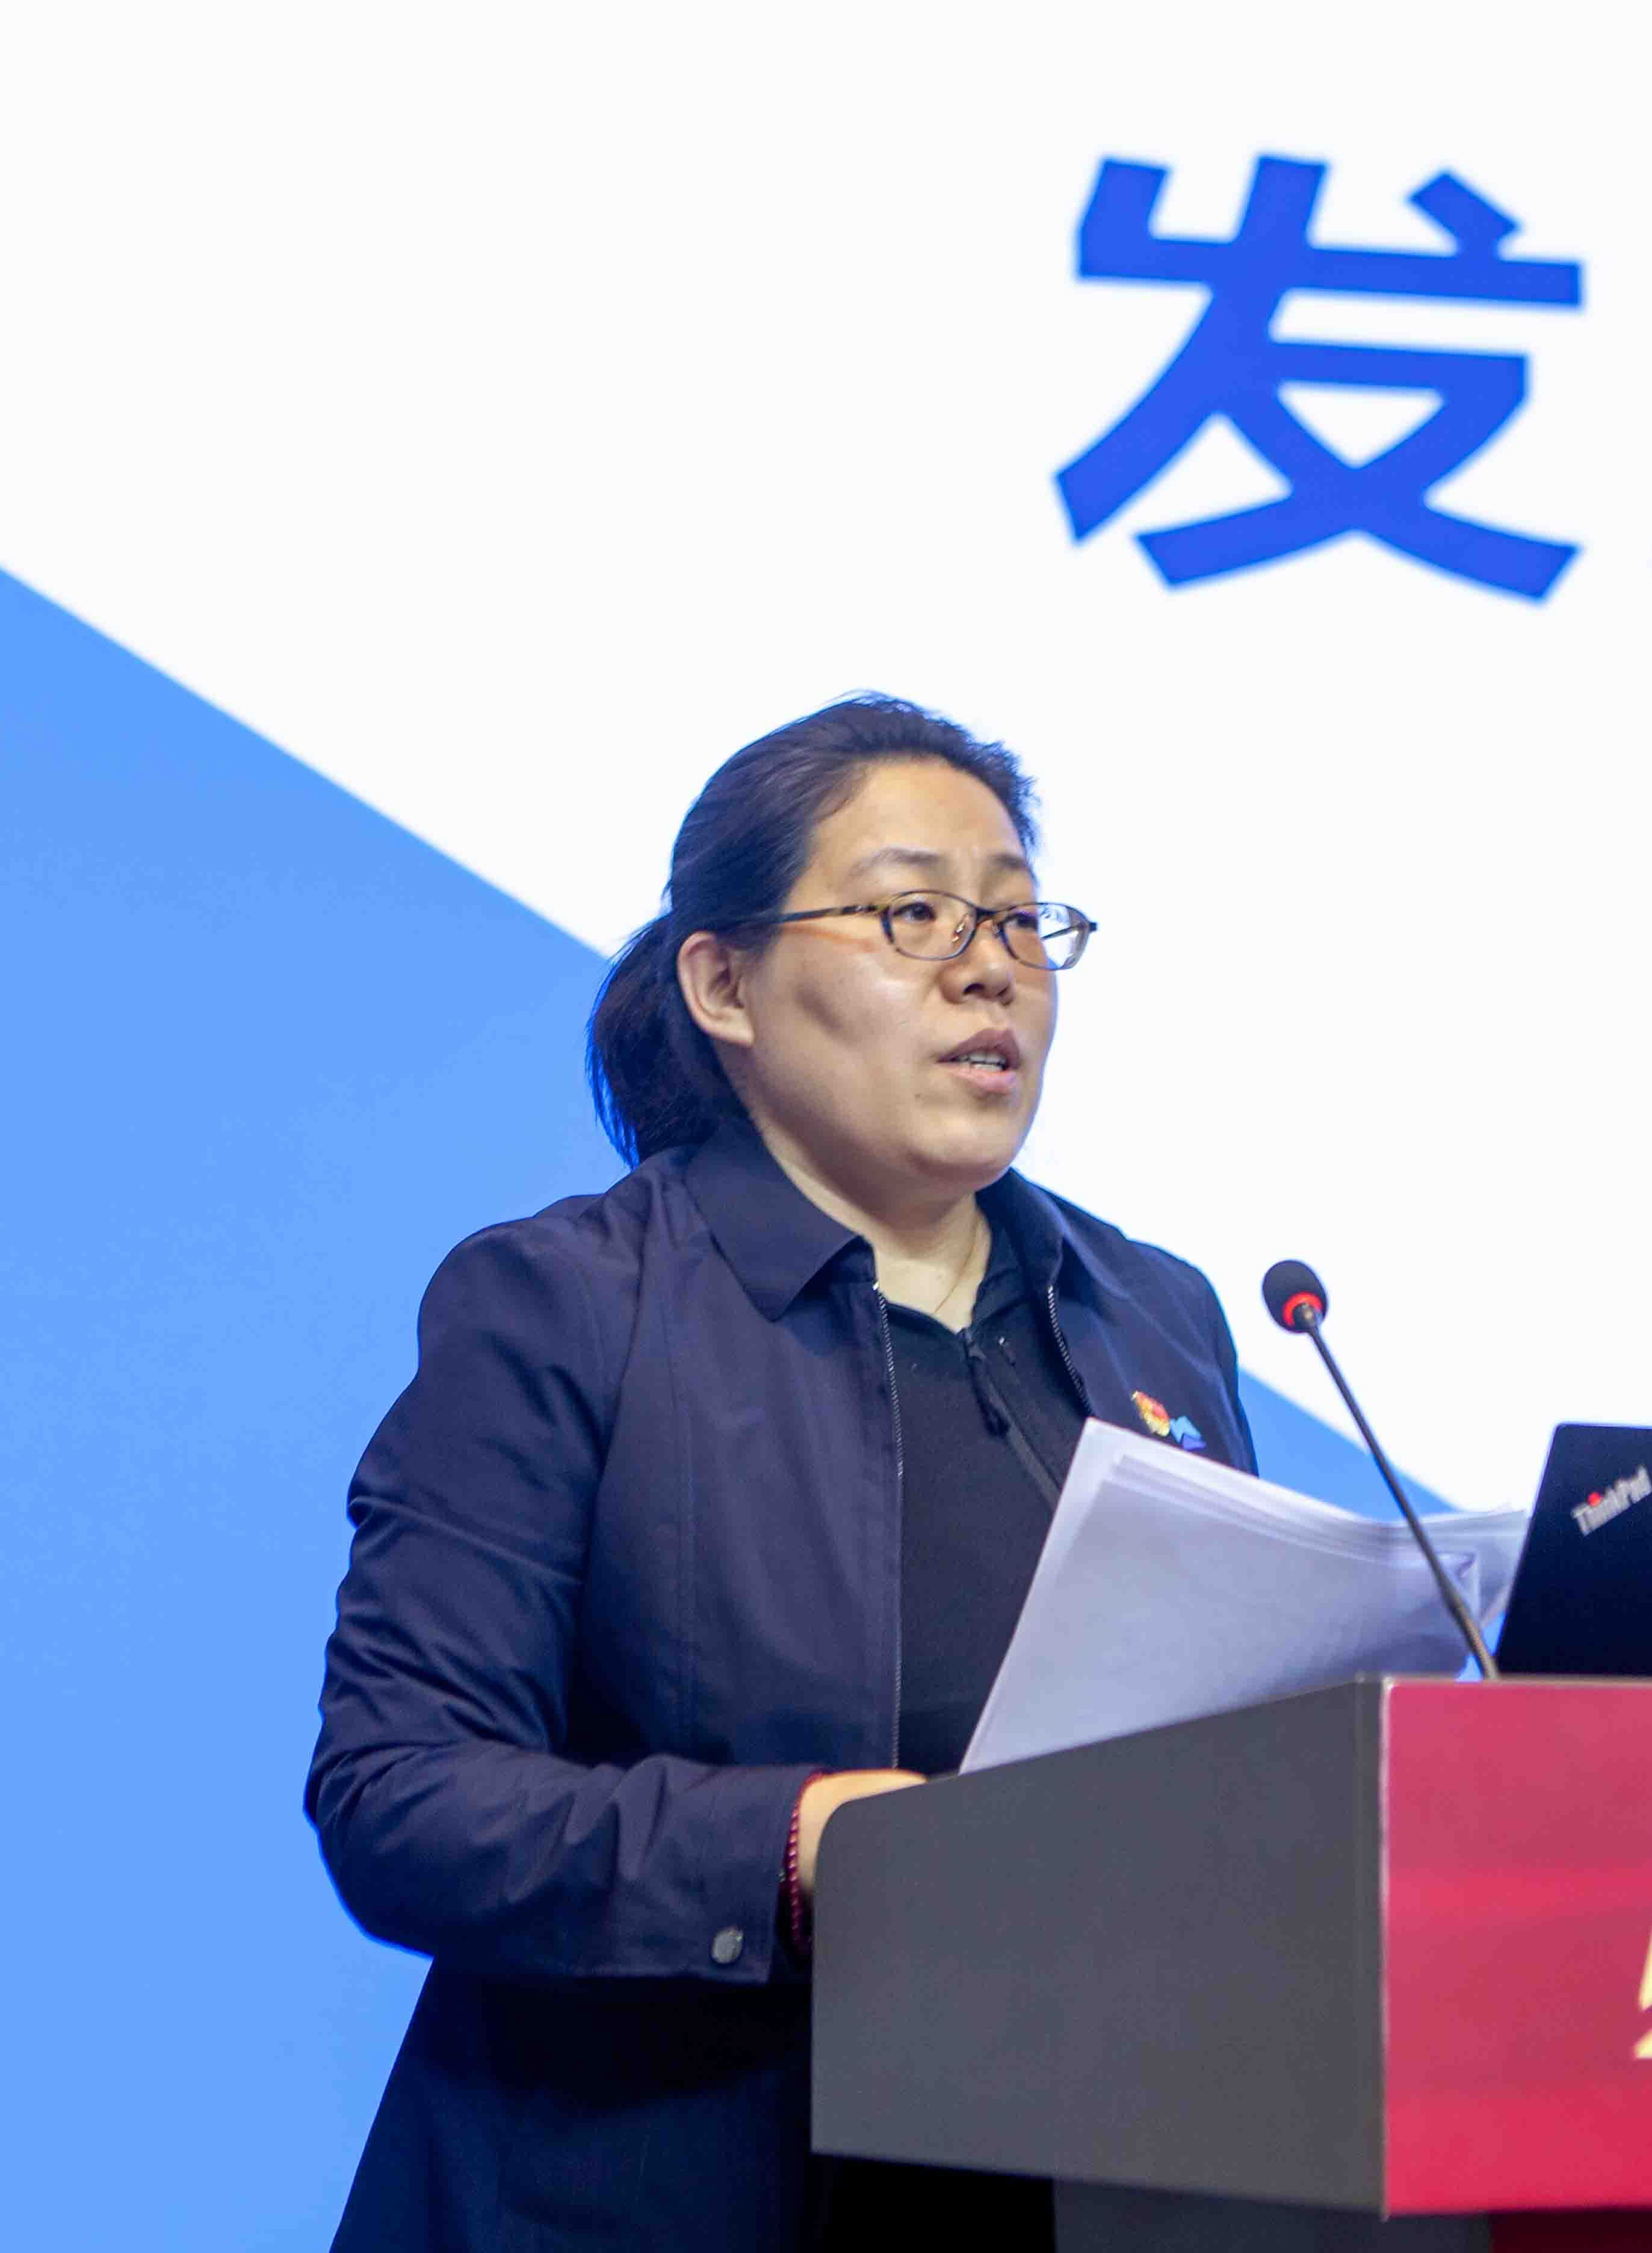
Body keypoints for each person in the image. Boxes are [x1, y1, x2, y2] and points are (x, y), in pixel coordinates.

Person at [307, 694, 1256, 2250]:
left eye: (1020, 919)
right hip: (648, 2200)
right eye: (912, 914)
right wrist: (805, 1851)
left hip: (1064, 2187)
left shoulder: (1153, 1316)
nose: (989, 967)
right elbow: (403, 1796)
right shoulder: (568, 1306)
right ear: (725, 983)